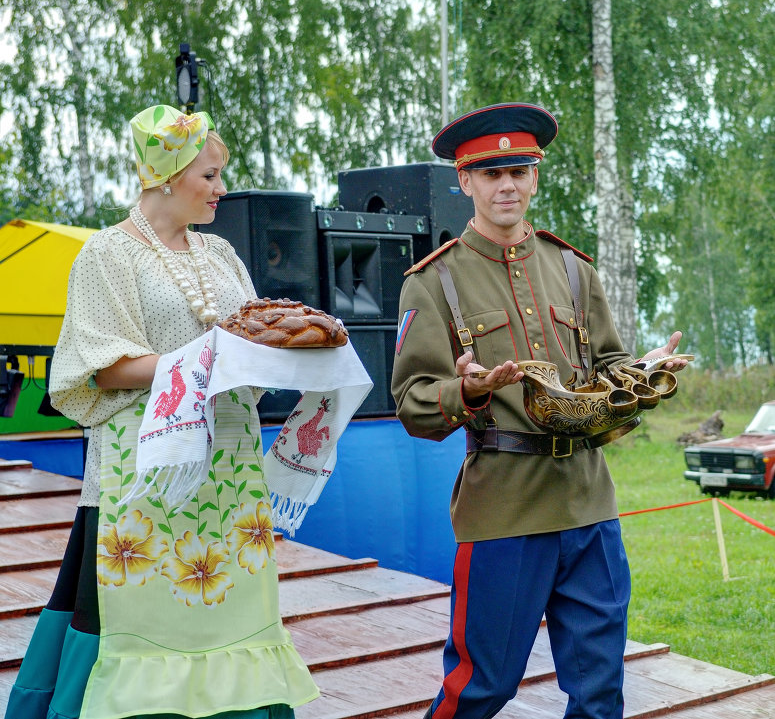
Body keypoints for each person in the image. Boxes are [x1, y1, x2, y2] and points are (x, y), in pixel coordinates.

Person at [6, 105, 318, 719]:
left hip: (225, 476)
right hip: (140, 475)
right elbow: (100, 368)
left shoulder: (222, 253)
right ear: (167, 175)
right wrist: (206, 360)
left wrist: (290, 355)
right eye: (210, 175)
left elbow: (250, 343)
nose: (221, 189)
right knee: (132, 615)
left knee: (227, 609)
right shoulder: (108, 255)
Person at [391, 102, 687, 719]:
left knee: (600, 689)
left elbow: (609, 366)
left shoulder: (575, 270)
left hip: (588, 504)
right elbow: (414, 403)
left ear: (534, 176)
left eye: (518, 170)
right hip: (504, 508)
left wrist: (644, 372)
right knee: (482, 687)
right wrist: (467, 390)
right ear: (465, 181)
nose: (507, 185)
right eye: (491, 172)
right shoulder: (434, 282)